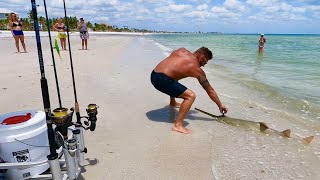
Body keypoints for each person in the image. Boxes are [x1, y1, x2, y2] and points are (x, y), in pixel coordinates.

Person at [151, 47, 228, 134]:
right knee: (190, 96)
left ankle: (172, 102)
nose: (203, 65)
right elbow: (210, 90)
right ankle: (178, 125)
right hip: (161, 81)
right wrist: (220, 105)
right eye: (205, 62)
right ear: (202, 56)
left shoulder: (181, 50)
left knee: (173, 76)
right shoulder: (197, 69)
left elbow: (171, 64)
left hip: (154, 74)